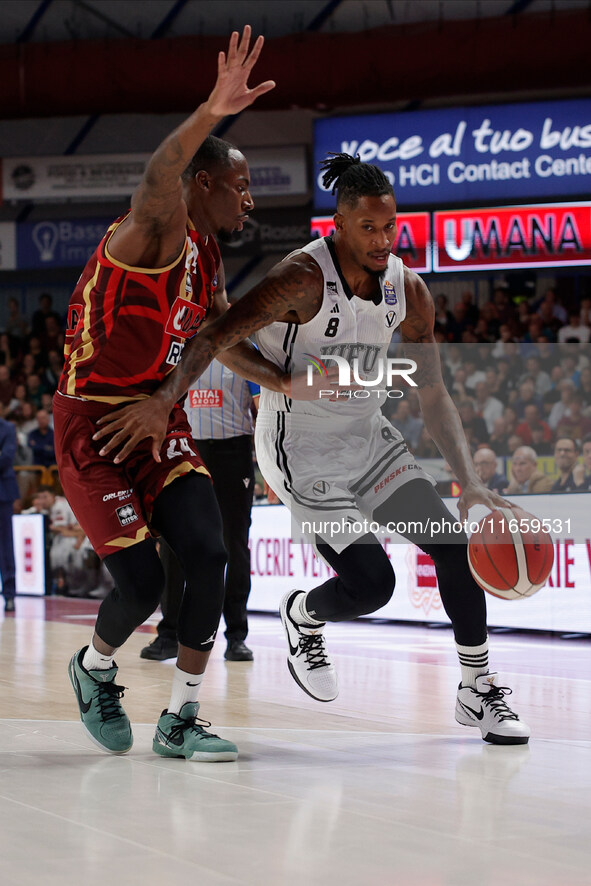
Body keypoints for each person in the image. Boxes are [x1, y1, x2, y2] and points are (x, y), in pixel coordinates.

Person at [97, 153, 531, 746]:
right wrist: (274, 382)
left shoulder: (409, 292)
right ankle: (304, 613)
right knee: (373, 585)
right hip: (298, 448)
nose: (383, 241)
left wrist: (470, 483)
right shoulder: (302, 278)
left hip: (368, 440)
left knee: (451, 546)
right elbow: (216, 337)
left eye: (390, 227)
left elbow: (432, 392)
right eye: (369, 229)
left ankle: (477, 690)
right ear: (340, 225)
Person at [54, 27, 280, 761]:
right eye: (240, 185)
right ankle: (93, 670)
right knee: (144, 584)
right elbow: (160, 170)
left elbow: (212, 335)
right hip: (93, 423)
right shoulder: (150, 231)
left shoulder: (208, 254)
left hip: (156, 417)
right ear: (205, 183)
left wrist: (283, 383)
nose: (248, 200)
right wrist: (213, 110)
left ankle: (182, 717)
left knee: (209, 551)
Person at [141, 358, 258, 663]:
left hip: (234, 451)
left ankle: (236, 636)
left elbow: (262, 408)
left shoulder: (248, 352)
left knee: (234, 544)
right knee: (172, 541)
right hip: (185, 449)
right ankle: (167, 635)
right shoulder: (180, 352)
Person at [0, 403, 19, 612]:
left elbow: (5, 458)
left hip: (2, 494)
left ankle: (9, 593)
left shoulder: (7, 428)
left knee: (5, 547)